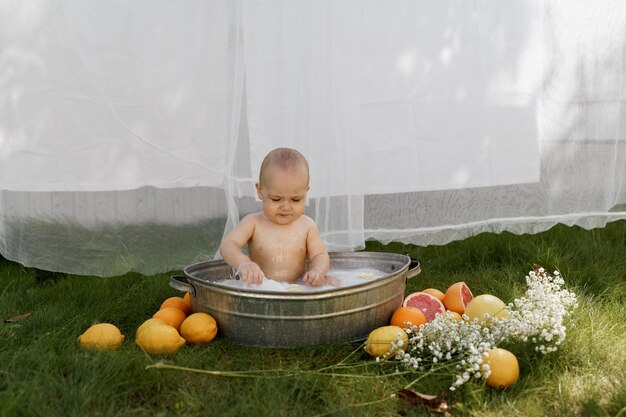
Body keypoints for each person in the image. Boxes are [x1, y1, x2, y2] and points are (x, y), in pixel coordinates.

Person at [219, 148, 339, 287]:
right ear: (260, 191)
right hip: (262, 287)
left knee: (334, 283)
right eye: (276, 199)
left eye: (296, 199)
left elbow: (320, 255)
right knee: (232, 287)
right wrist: (244, 263)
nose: (286, 207)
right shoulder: (253, 222)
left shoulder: (307, 225)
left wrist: (317, 271)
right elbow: (228, 245)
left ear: (305, 193)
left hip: (298, 287)